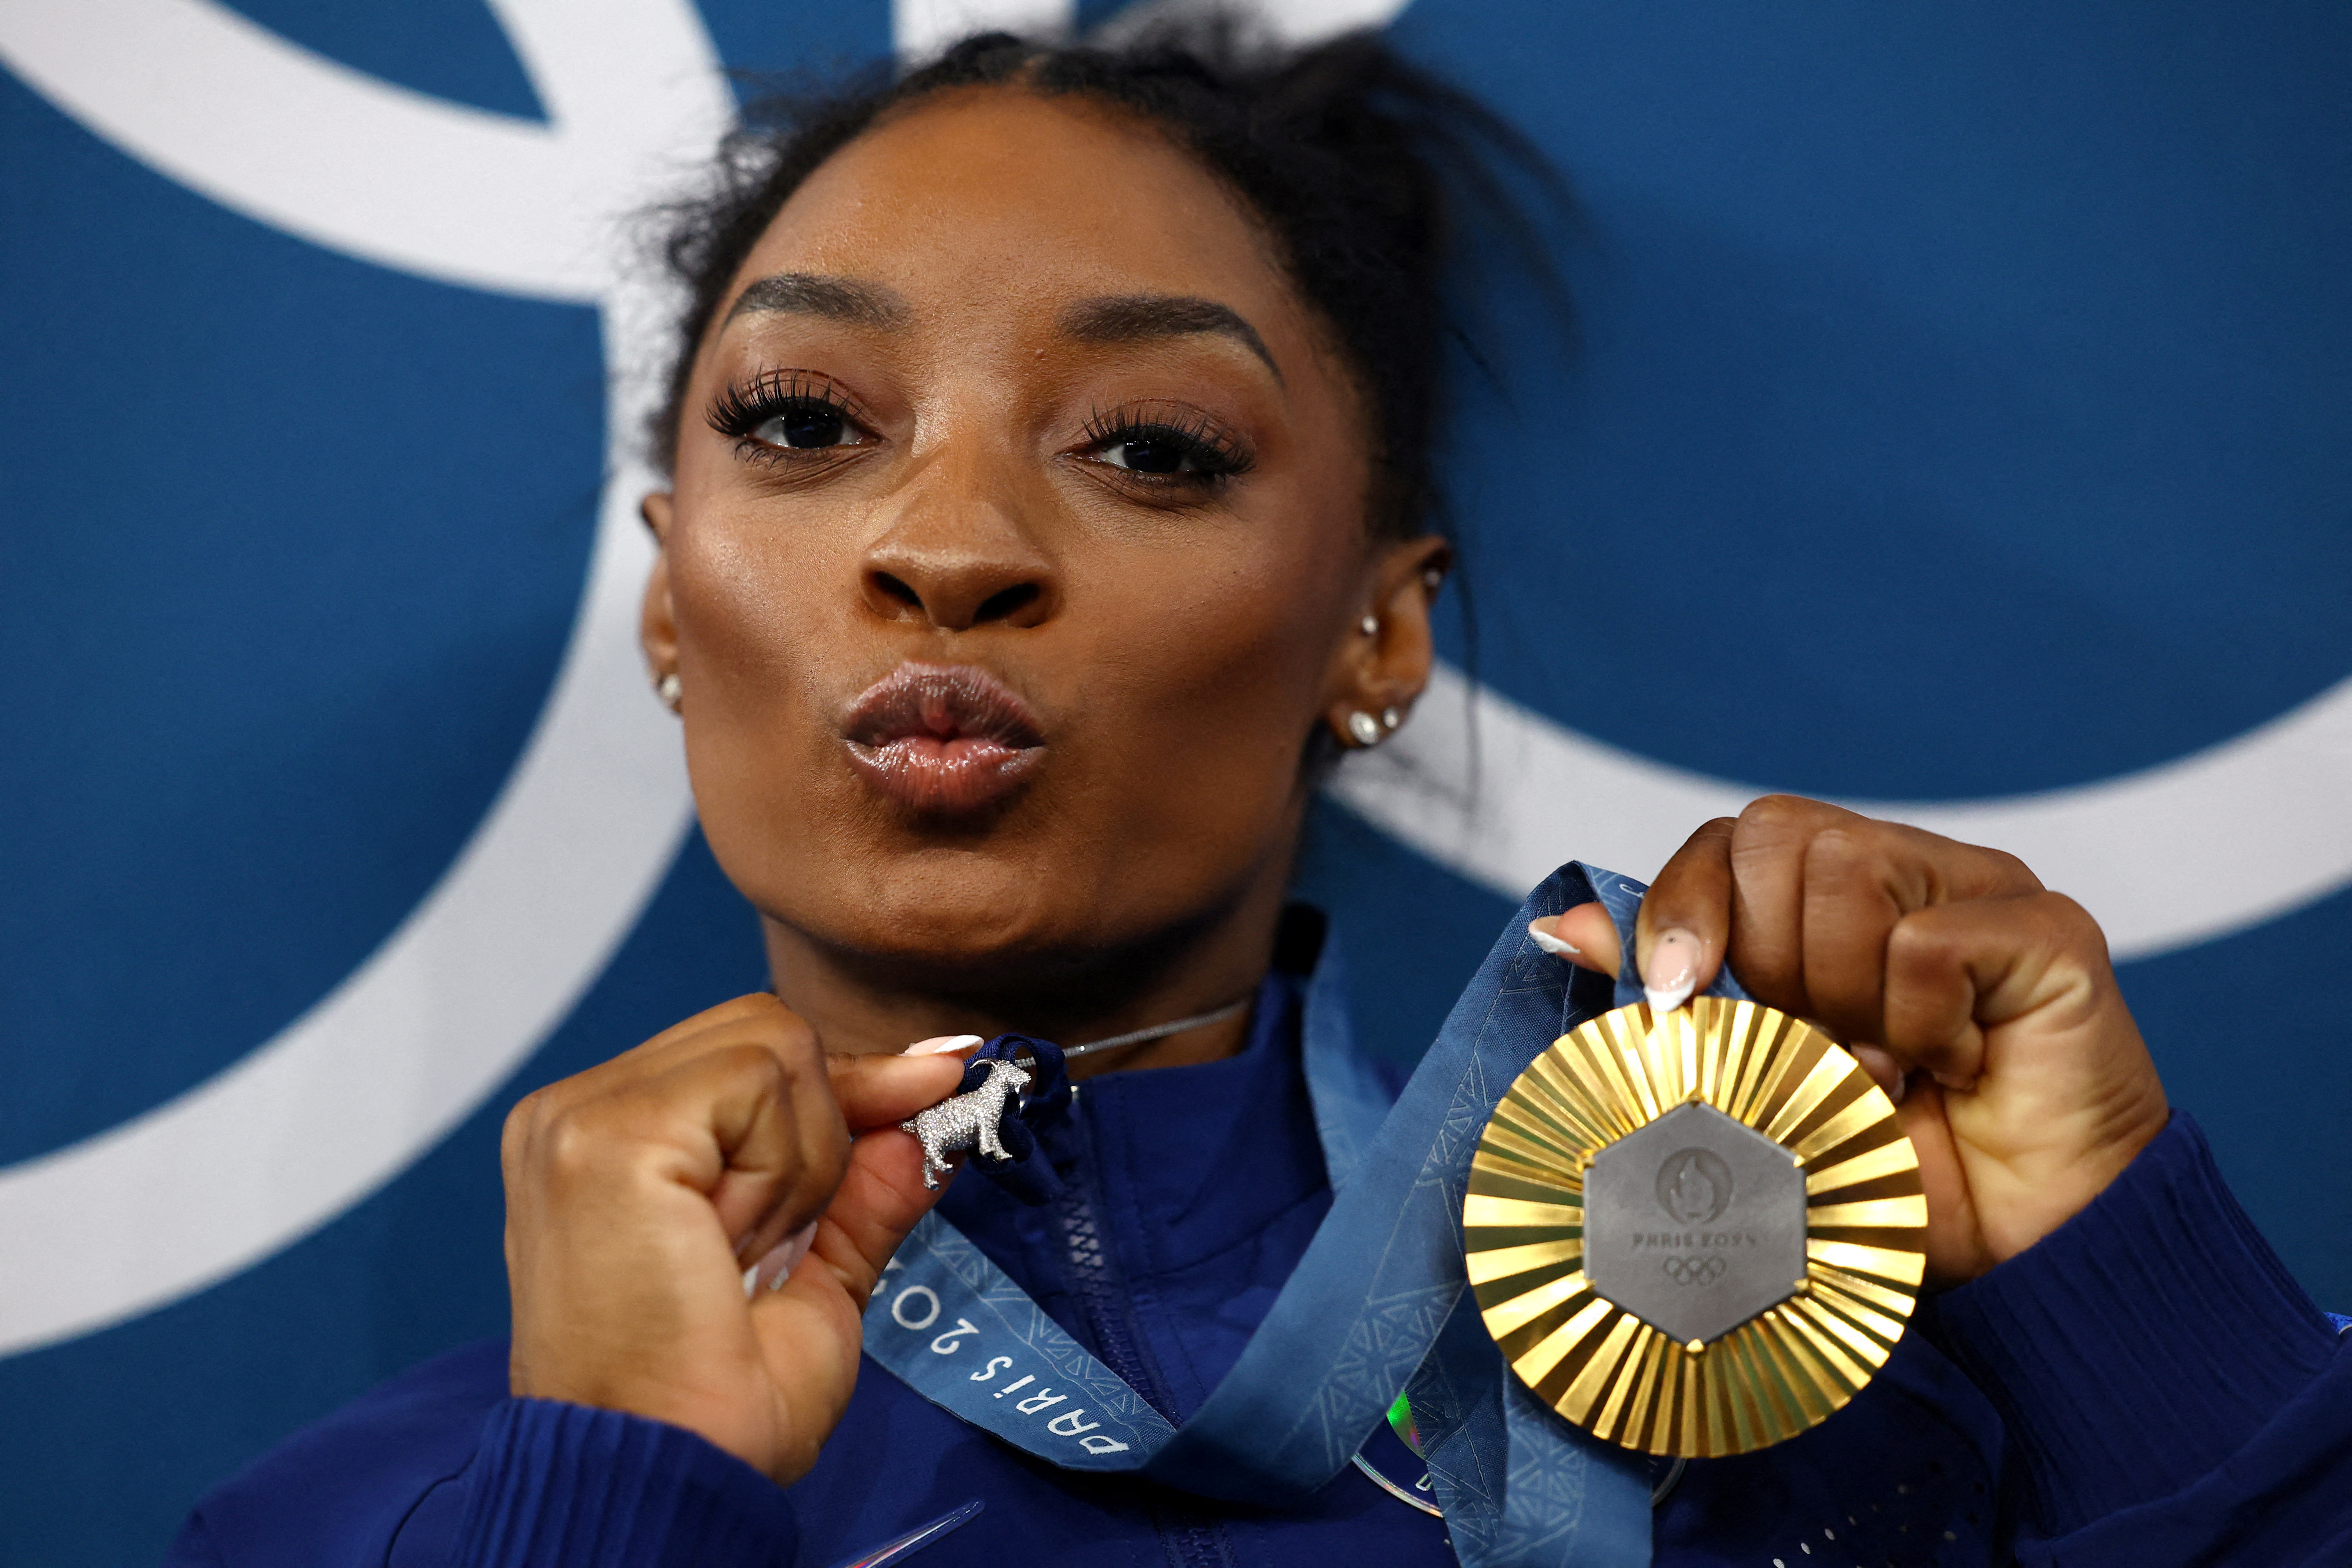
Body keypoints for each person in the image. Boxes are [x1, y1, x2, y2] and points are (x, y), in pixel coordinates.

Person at [164, 25, 2352, 1568]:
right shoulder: (356, 1529)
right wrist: (619, 1495)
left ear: (1373, 637)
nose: (948, 544)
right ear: (670, 602)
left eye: (1151, 448)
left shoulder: (1844, 1427)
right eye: (810, 420)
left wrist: (2138, 1306)